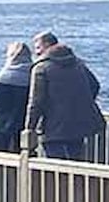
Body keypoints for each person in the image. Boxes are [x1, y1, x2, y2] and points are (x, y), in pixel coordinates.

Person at [24, 31, 104, 160]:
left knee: (54, 167)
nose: (36, 52)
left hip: (52, 127)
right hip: (78, 125)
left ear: (49, 45)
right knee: (77, 165)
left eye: (38, 47)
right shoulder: (78, 63)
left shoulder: (41, 68)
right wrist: (80, 104)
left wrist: (29, 128)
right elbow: (94, 85)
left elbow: (36, 103)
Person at [0, 42, 32, 153]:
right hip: (24, 123)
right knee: (22, 154)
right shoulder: (33, 74)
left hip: (1, 123)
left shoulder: (4, 75)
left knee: (1, 155)